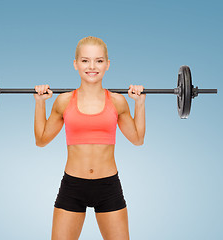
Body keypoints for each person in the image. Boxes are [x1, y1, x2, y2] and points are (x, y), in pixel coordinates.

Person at [34, 36, 146, 240]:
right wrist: (40, 103)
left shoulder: (118, 101)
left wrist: (139, 103)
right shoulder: (64, 101)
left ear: (107, 64)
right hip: (73, 186)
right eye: (85, 60)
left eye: (99, 61)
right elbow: (41, 140)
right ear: (75, 64)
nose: (92, 66)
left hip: (108, 187)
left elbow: (137, 139)